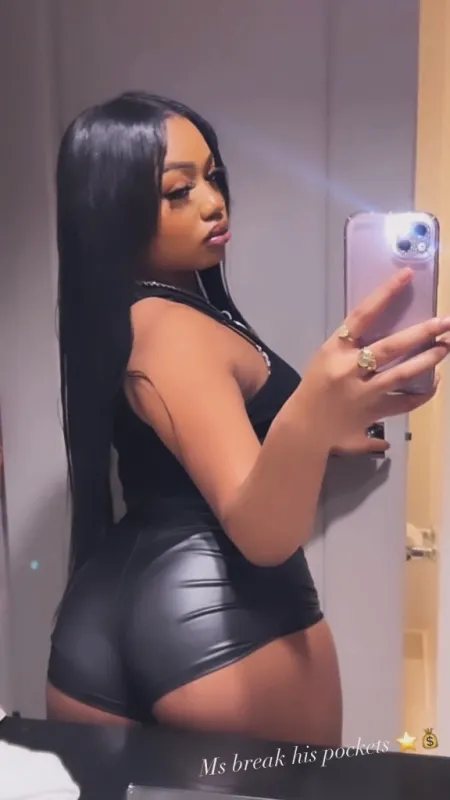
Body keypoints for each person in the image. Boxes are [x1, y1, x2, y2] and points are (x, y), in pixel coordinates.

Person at [46, 91, 450, 744]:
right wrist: (311, 417)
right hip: (221, 618)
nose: (214, 202)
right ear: (113, 208)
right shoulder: (172, 329)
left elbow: (212, 448)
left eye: (213, 176)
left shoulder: (133, 316)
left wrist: (318, 430)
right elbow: (261, 534)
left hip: (98, 616)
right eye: (179, 190)